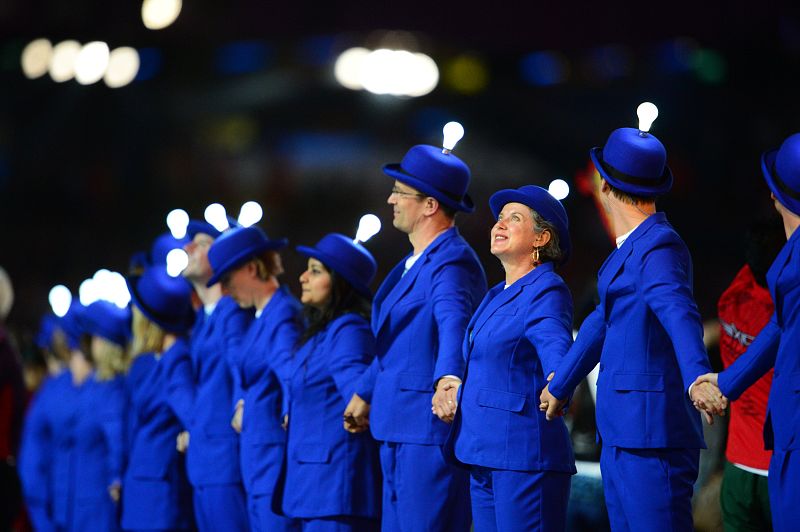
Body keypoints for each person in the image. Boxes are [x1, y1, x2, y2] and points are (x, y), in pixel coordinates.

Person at [539, 122, 725, 531]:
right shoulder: (633, 249)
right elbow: (601, 321)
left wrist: (696, 376)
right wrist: (561, 383)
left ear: (603, 184)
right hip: (627, 429)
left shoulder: (658, 246)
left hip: (651, 435)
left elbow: (680, 312)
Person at [348, 138, 488, 531]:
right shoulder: (415, 262)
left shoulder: (452, 262)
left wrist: (448, 378)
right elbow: (398, 345)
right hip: (399, 424)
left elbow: (453, 323)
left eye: (399, 192)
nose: (391, 200)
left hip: (424, 430)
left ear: (430, 205)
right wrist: (365, 390)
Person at [442, 185, 576, 531]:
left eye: (514, 219)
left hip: (524, 456)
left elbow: (553, 340)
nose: (499, 225)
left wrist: (558, 379)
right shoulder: (494, 295)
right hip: (483, 453)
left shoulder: (547, 289)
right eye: (499, 218)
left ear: (541, 238)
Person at [695, 133, 800, 532]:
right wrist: (727, 382)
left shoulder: (786, 266)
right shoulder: (787, 260)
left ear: (777, 196)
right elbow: (781, 323)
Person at [278, 233, 382, 531]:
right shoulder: (323, 331)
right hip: (314, 487)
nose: (302, 277)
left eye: (315, 270)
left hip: (334, 488)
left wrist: (358, 409)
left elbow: (356, 392)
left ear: (341, 281)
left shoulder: (347, 329)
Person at [206, 225, 301, 532]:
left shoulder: (282, 314)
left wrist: (289, 410)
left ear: (251, 268)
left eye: (227, 279)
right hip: (258, 459)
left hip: (273, 458)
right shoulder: (261, 316)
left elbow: (290, 374)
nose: (224, 289)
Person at [177, 219, 251, 532]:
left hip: (224, 461)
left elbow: (239, 364)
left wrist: (242, 401)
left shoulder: (232, 311)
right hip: (206, 461)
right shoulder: (203, 319)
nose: (188, 248)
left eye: (202, 243)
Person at [716, 221, 783, 532]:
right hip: (780, 468)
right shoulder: (785, 317)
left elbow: (758, 257)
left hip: (737, 466)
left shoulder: (731, 299)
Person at [122, 265, 196, 531]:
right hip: (144, 489)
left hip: (160, 496)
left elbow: (193, 417)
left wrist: (188, 434)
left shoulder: (177, 362)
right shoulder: (159, 360)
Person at [50, 300, 130, 531]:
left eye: (95, 339)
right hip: (82, 497)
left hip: (97, 501)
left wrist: (115, 477)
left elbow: (116, 438)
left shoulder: (112, 388)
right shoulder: (95, 385)